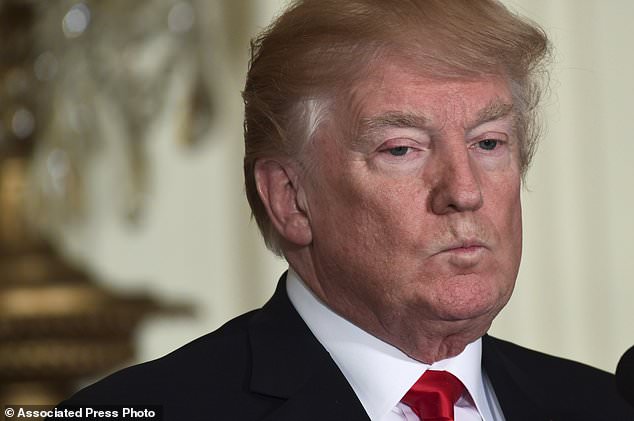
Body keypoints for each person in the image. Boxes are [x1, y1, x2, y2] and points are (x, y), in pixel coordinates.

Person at [56, 0, 633, 420]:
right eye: (402, 149)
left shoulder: (603, 404)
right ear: (291, 199)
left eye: (488, 143)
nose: (465, 191)